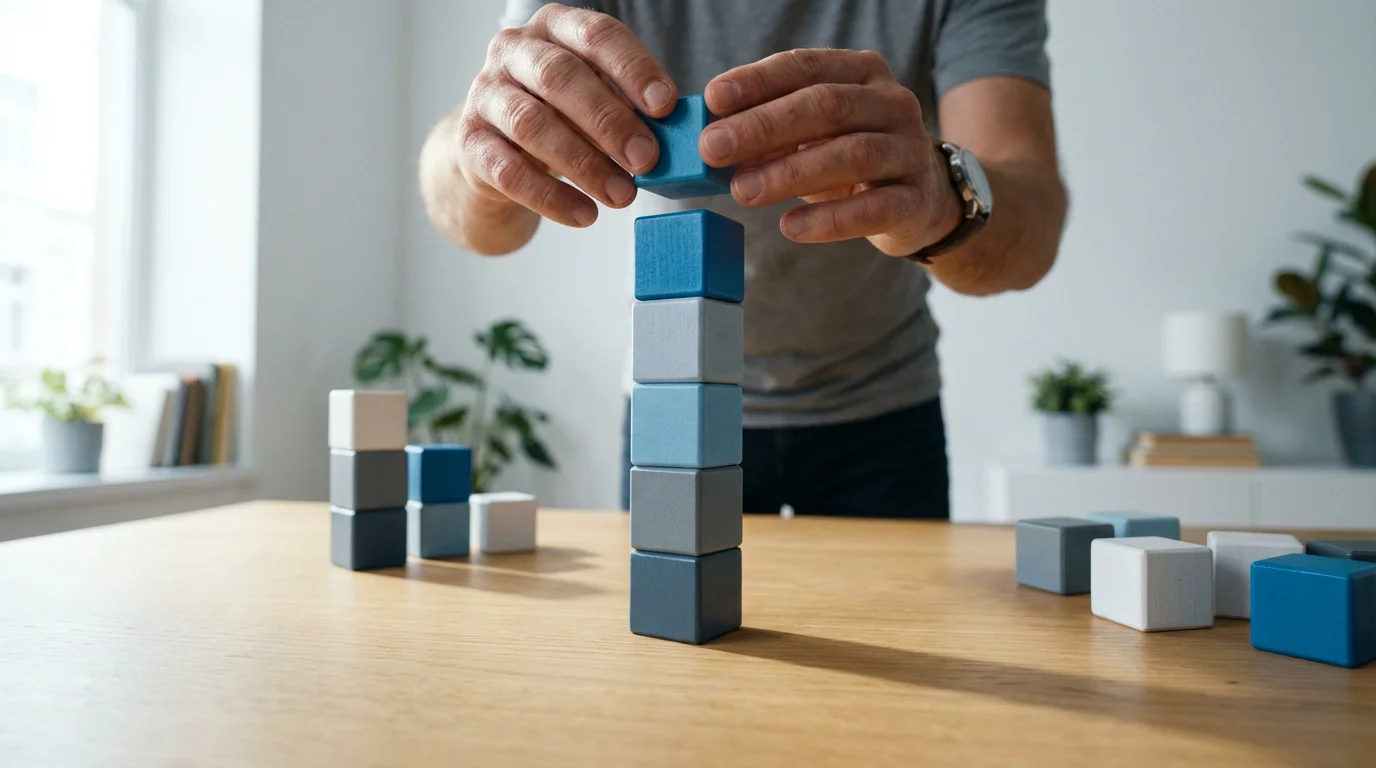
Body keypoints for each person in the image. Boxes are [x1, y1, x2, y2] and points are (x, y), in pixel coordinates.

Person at [419, 1, 1067, 519]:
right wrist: (478, 152)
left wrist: (940, 199)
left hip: (883, 413)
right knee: (675, 669)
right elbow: (474, 217)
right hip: (673, 401)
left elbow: (1032, 221)